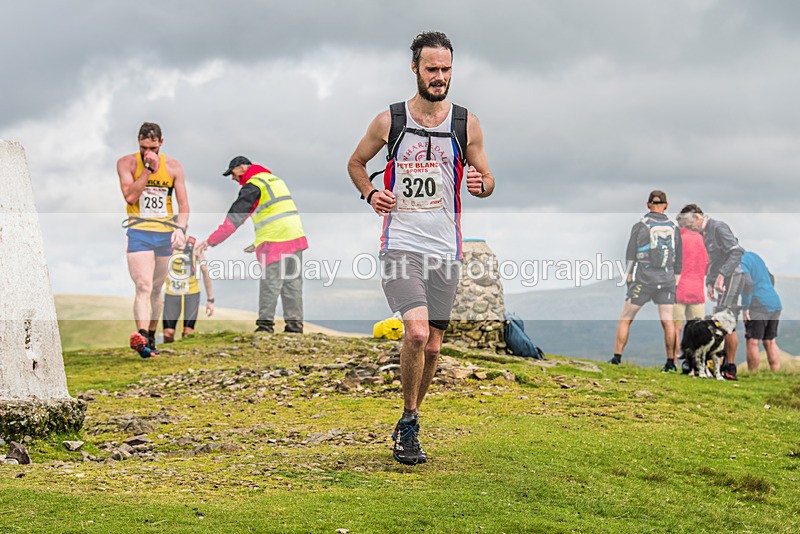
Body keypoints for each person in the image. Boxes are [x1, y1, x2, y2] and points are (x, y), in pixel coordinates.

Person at [347, 31, 495, 465]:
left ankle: (410, 416)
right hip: (401, 246)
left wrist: (480, 184)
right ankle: (409, 423)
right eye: (432, 69)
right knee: (414, 331)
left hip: (445, 249)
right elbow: (356, 164)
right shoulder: (389, 121)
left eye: (446, 69)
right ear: (414, 69)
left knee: (433, 346)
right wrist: (371, 193)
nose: (440, 77)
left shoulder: (466, 123)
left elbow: (487, 178)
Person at [195, 156, 307, 334]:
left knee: (270, 284)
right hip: (294, 236)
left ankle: (264, 327)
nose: (233, 179)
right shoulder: (274, 180)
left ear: (241, 168)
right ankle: (294, 329)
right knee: (292, 284)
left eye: (232, 174)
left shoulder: (253, 185)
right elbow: (276, 212)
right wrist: (257, 242)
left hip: (276, 240)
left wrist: (209, 241)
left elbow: (234, 219)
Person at [117, 122, 189, 358]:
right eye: (143, 147)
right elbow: (130, 197)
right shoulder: (127, 163)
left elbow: (184, 204)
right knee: (143, 286)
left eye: (153, 148)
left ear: (161, 143)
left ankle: (151, 336)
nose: (148, 152)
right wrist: (147, 169)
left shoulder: (174, 166)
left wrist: (181, 229)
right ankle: (141, 338)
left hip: (165, 233)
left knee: (157, 288)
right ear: (137, 142)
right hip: (139, 232)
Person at [610, 191, 682, 370]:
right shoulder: (674, 228)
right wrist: (675, 277)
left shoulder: (640, 226)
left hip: (644, 279)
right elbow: (679, 257)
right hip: (666, 279)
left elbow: (630, 254)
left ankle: (617, 358)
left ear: (648, 204)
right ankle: (670, 363)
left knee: (626, 318)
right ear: (666, 205)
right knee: (667, 321)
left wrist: (629, 277)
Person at [678, 204, 744, 380]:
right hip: (721, 278)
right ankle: (719, 365)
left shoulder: (718, 227)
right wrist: (710, 282)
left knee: (726, 322)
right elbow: (713, 260)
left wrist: (722, 275)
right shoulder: (704, 234)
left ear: (697, 217)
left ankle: (729, 366)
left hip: (732, 276)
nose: (688, 227)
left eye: (688, 223)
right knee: (719, 321)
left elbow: (737, 252)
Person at [163, 237, 215, 342]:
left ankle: (184, 355)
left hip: (191, 293)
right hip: (171, 293)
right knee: (168, 333)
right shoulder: (164, 243)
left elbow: (205, 271)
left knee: (188, 332)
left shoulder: (195, 244)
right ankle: (168, 354)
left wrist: (210, 299)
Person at [672, 219, 708, 367]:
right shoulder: (702, 241)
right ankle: (694, 362)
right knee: (697, 328)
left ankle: (672, 361)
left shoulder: (678, 239)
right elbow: (707, 265)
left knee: (675, 328)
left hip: (678, 288)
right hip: (697, 289)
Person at [740, 251, 782, 372]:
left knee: (753, 341)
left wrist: (745, 307)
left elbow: (747, 283)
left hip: (758, 304)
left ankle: (753, 374)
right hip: (773, 301)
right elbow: (771, 277)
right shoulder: (755, 257)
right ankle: (776, 373)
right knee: (770, 340)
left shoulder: (741, 261)